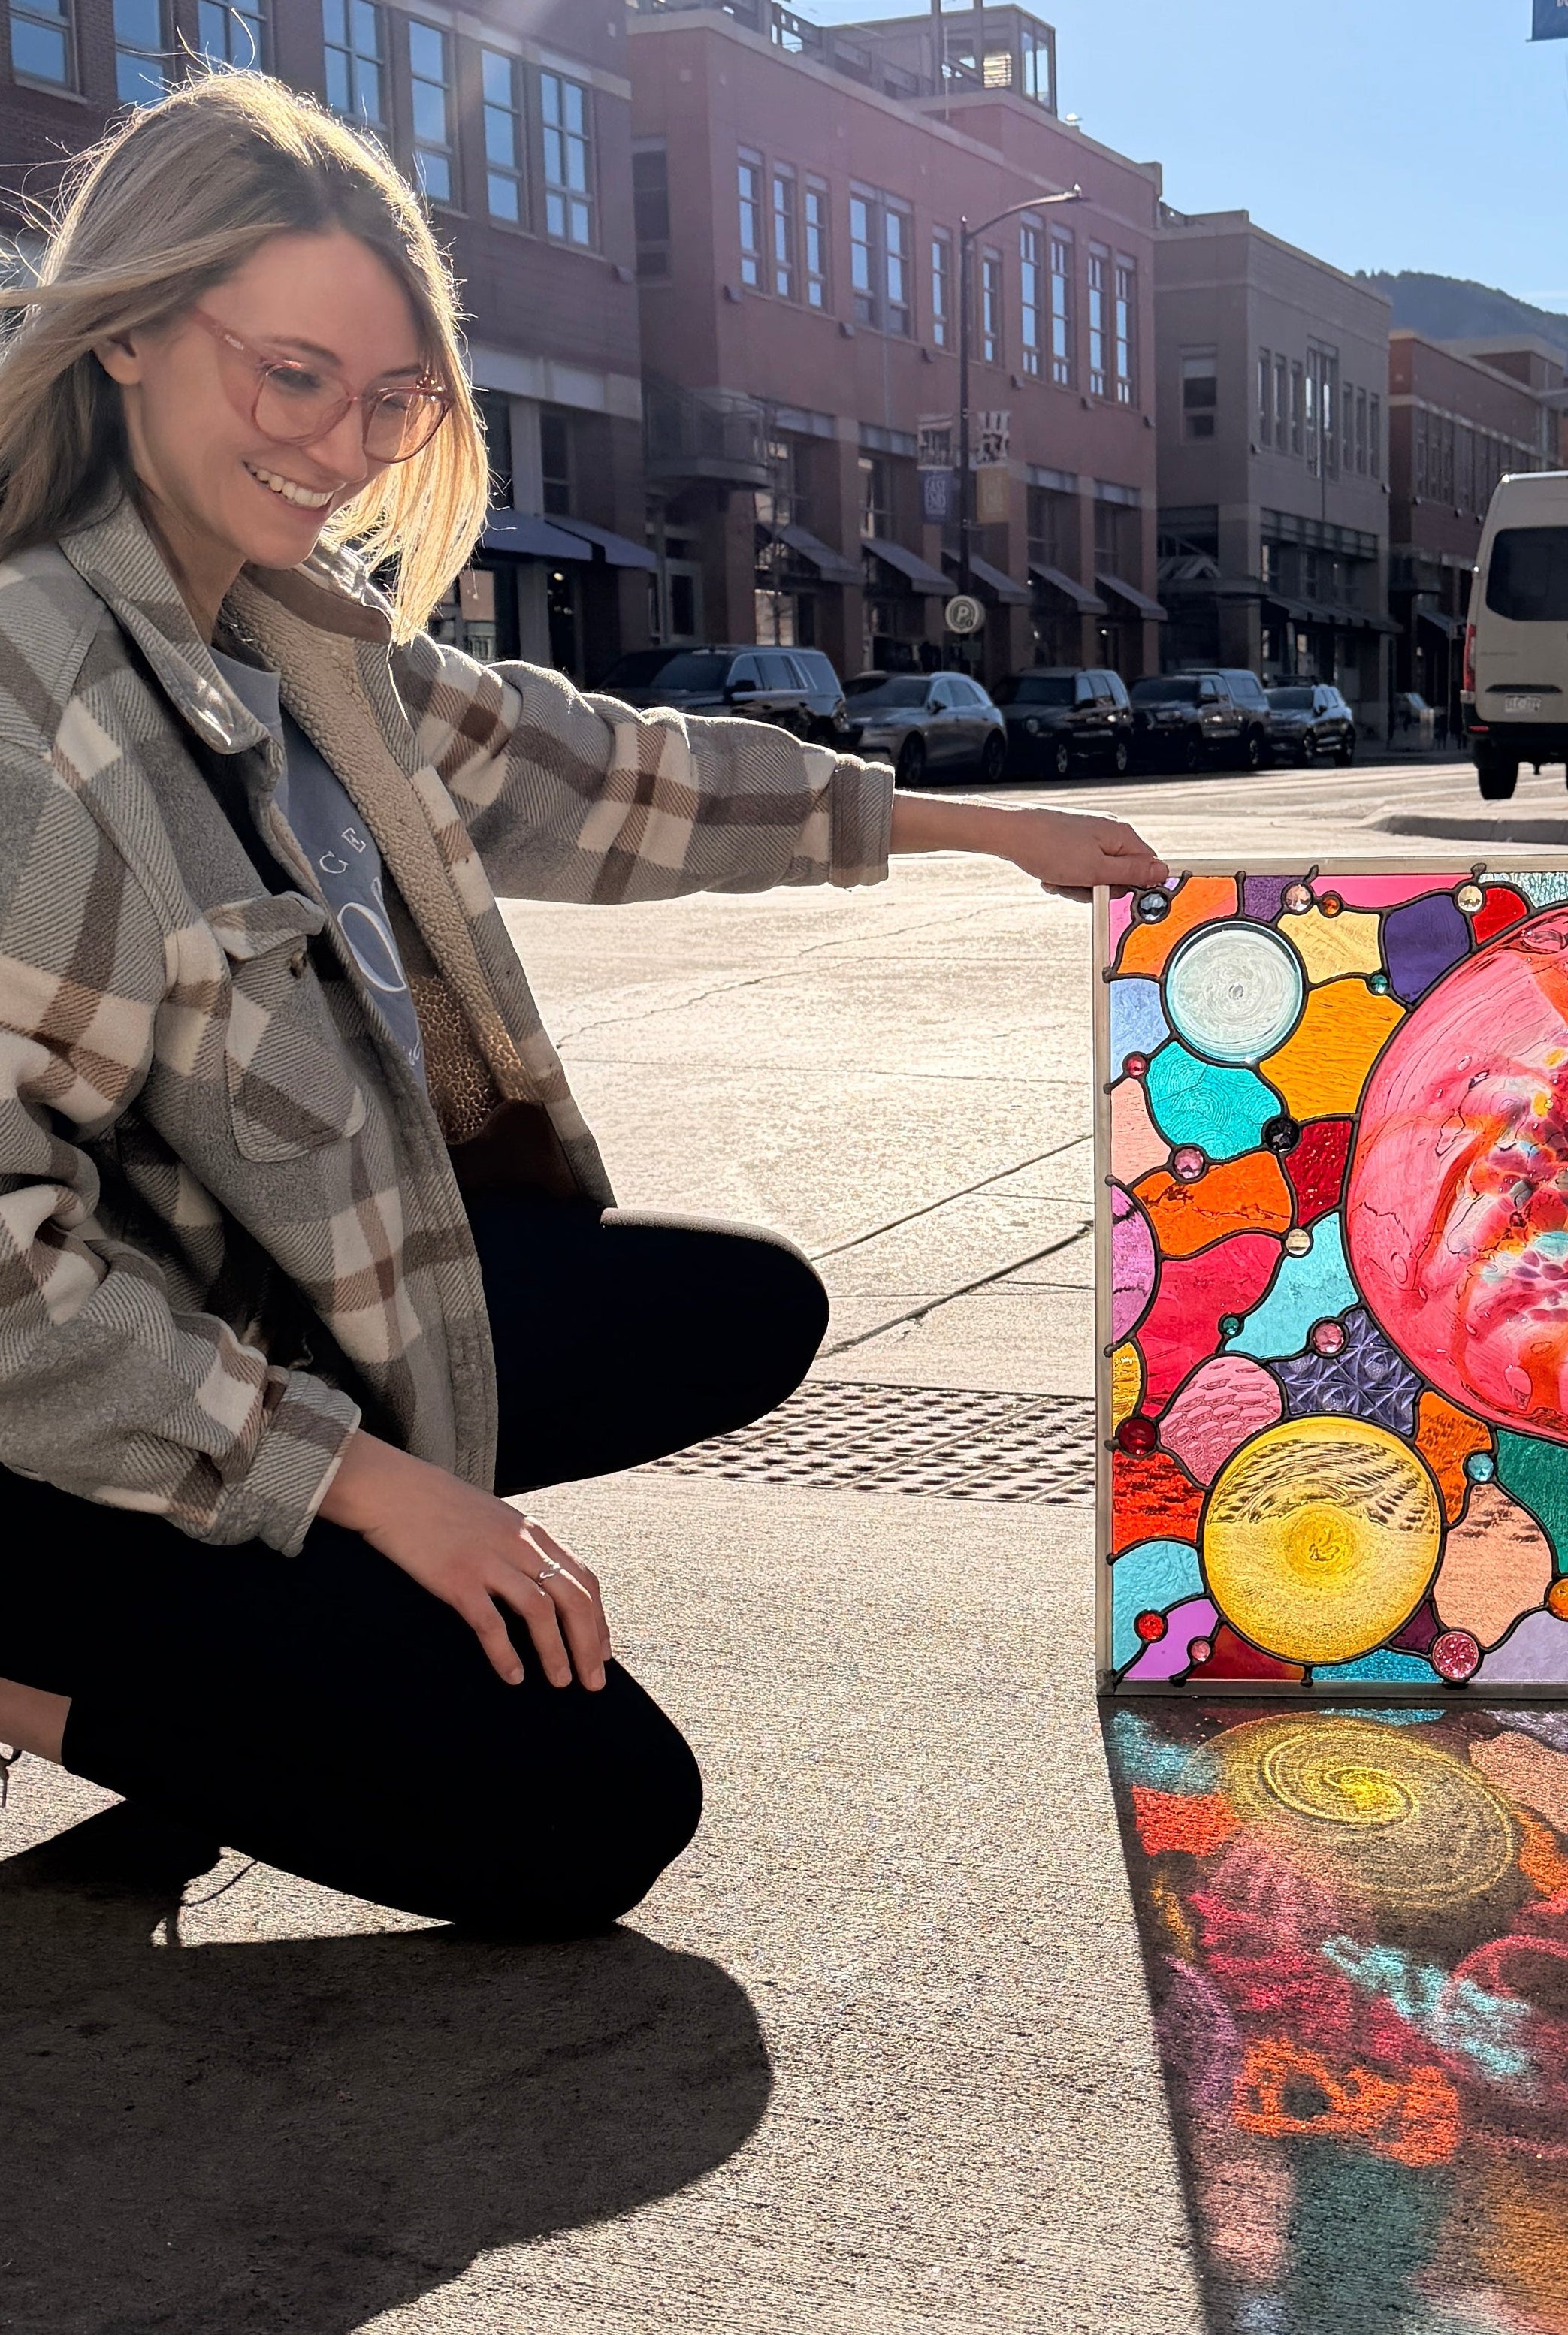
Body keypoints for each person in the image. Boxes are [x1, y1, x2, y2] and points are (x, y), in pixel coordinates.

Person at [0, 80, 1168, 1935]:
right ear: (128, 328)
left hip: (250, 1321)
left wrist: (981, 827)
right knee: (588, 1812)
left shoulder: (289, 628)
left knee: (732, 1308)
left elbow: (602, 773)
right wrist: (377, 1494)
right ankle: (63, 1678)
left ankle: (285, 1637)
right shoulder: (36, 712)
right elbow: (10, 1294)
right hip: (58, 1430)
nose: (347, 448)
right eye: (295, 377)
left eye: (394, 403)